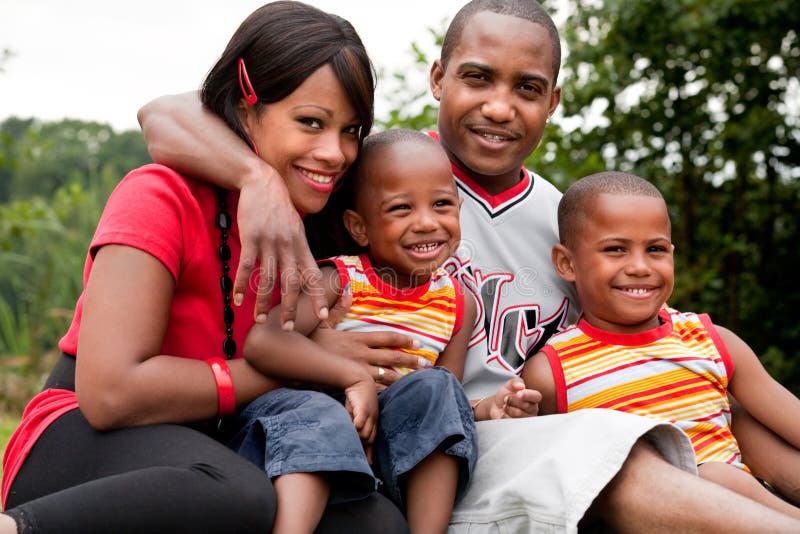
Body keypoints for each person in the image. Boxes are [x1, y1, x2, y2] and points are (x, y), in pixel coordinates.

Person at [135, 0, 800, 531]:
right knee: (604, 454)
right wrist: (255, 178)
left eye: (528, 88)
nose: (499, 106)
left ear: (554, 103)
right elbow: (162, 116)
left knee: (700, 410)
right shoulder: (375, 176)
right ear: (437, 78)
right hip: (411, 432)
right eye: (477, 77)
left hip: (513, 427)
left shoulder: (569, 222)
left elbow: (633, 347)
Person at [0, 2, 414, 533]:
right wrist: (298, 362)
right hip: (82, 436)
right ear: (246, 109)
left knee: (375, 523)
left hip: (221, 439)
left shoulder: (328, 222)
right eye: (309, 123)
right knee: (236, 495)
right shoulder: (161, 195)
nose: (335, 153)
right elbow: (110, 395)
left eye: (351, 131)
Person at [236, 127, 478, 533]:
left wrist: (486, 409)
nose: (426, 222)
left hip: (392, 440)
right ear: (360, 227)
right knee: (319, 412)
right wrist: (352, 377)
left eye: (442, 204)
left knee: (437, 387)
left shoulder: (458, 302)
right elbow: (264, 341)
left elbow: (443, 404)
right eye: (401, 209)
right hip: (311, 422)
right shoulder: (339, 279)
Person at [521, 170, 800, 521]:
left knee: (720, 475)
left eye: (655, 250)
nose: (639, 267)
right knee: (713, 476)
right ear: (567, 263)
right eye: (615, 250)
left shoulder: (711, 340)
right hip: (649, 517)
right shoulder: (550, 370)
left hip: (745, 513)